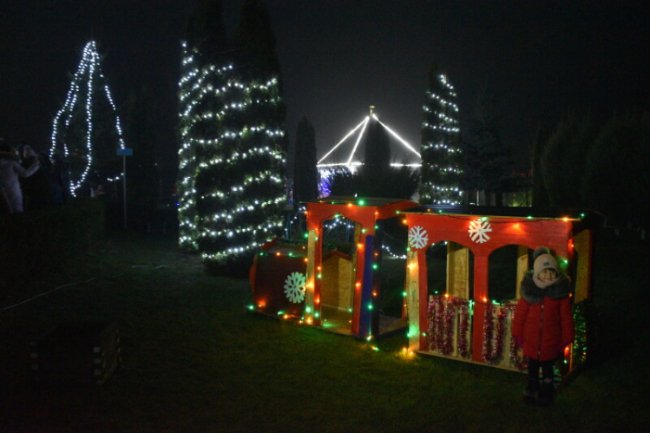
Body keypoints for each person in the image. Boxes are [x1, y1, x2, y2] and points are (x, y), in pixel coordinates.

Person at [512, 247, 574, 406]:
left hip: (550, 343)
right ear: (537, 273)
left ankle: (546, 390)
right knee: (532, 370)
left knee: (548, 370)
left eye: (551, 272)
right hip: (531, 342)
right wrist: (518, 334)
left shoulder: (560, 296)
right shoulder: (530, 293)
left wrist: (567, 338)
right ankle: (532, 387)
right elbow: (520, 315)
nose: (547, 275)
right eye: (544, 272)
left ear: (556, 273)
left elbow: (566, 318)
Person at [0, 141, 39, 213]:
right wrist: (36, 165)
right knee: (17, 211)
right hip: (13, 190)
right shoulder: (11, 163)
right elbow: (25, 174)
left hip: (3, 191)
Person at [19, 144, 54, 210]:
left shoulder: (41, 160)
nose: (27, 151)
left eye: (29, 149)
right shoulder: (24, 164)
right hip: (34, 191)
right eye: (26, 150)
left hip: (43, 189)